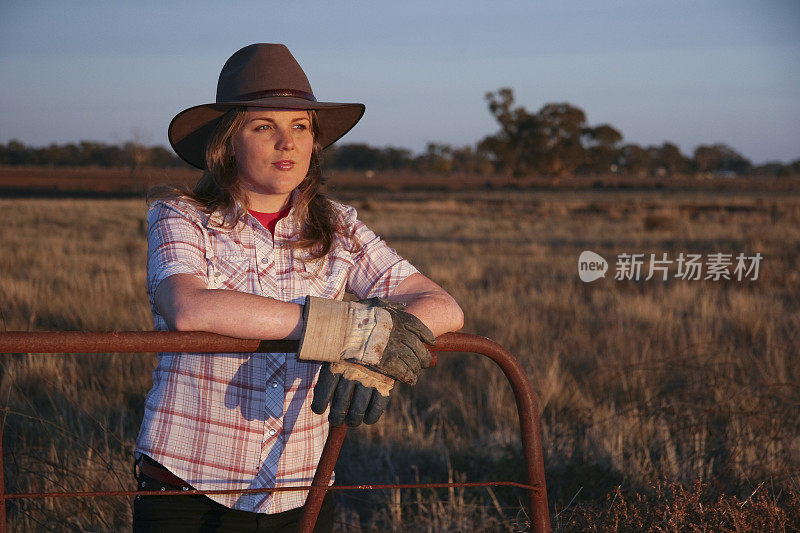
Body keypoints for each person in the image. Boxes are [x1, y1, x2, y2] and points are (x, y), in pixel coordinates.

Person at [133, 43, 464, 532]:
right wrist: (344, 329)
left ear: (314, 143)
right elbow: (187, 306)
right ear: (228, 143)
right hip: (188, 487)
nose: (286, 143)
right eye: (264, 126)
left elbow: (443, 305)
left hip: (299, 490)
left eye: (300, 126)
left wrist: (381, 338)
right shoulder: (182, 216)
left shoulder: (339, 227)